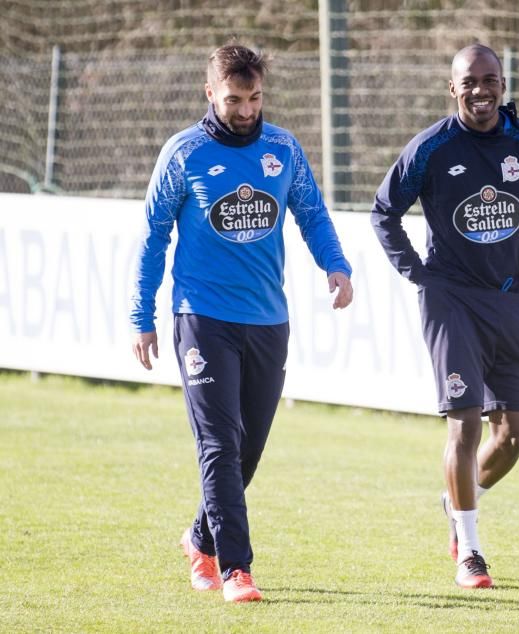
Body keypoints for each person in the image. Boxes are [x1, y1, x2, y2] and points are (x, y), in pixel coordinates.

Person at [129, 43, 353, 603]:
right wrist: (142, 315)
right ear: (210, 93)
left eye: (255, 98)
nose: (246, 109)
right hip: (201, 318)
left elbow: (311, 212)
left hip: (267, 320)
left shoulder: (283, 148)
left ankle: (200, 536)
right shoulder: (183, 154)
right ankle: (236, 568)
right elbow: (153, 238)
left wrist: (336, 265)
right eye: (234, 99)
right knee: (219, 445)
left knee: (247, 447)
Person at [371, 44, 519, 589]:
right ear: (452, 88)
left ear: (503, 83)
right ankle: (469, 550)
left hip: (510, 302)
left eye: (490, 80)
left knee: (517, 432)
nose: (481, 90)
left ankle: (457, 499)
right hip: (450, 300)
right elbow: (384, 213)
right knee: (466, 419)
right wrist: (419, 275)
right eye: (469, 81)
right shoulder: (431, 147)